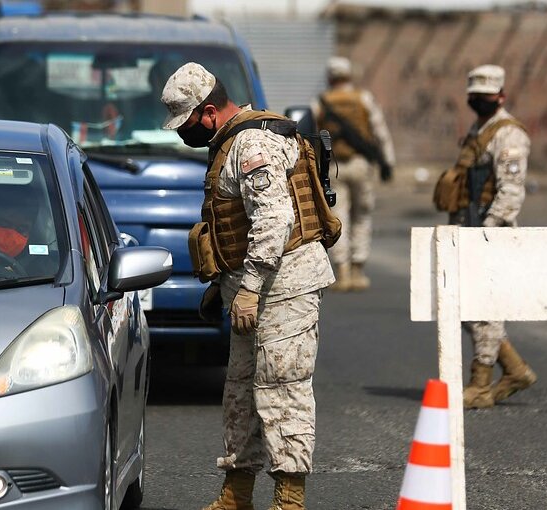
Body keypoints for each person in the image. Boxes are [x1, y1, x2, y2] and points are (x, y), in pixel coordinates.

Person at [162, 62, 336, 510]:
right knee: (240, 392)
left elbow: (274, 220)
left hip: (284, 287)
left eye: (185, 125)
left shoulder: (252, 143)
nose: (184, 135)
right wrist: (226, 284)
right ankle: (237, 494)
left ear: (207, 113)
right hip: (251, 290)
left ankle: (289, 499)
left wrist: (252, 286)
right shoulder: (229, 142)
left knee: (283, 390)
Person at [435, 64, 537, 409]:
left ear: (502, 96)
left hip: (490, 233)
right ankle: (514, 370)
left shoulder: (509, 134)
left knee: (484, 310)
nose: (480, 100)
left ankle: (480, 384)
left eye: (486, 95)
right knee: (466, 308)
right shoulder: (482, 130)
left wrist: (489, 232)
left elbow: (510, 191)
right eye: (475, 96)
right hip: (469, 229)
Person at [313, 56, 395, 292]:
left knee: (338, 218)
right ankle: (358, 269)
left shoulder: (320, 102)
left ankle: (343, 272)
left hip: (334, 166)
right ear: (349, 75)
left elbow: (312, 134)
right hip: (361, 165)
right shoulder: (363, 99)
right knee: (362, 216)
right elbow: (380, 131)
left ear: (330, 77)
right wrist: (388, 162)